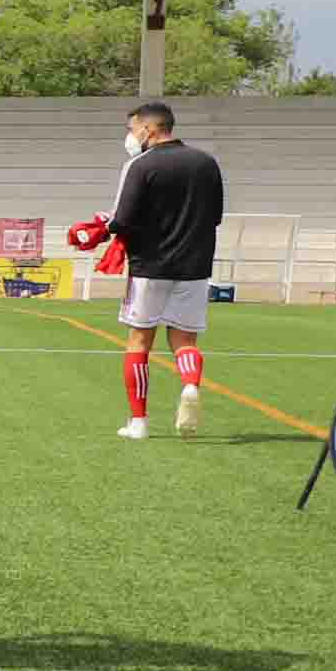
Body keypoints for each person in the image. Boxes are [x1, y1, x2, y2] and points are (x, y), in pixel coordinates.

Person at [99, 101, 225, 438]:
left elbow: (122, 220)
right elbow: (215, 217)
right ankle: (190, 385)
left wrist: (99, 227)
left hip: (149, 266)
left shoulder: (140, 165)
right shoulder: (206, 163)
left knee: (139, 341)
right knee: (184, 339)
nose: (130, 135)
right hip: (195, 267)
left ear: (148, 129)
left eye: (131, 128)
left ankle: (138, 422)